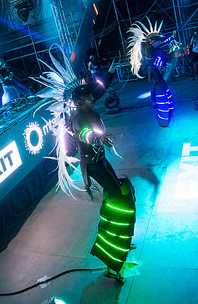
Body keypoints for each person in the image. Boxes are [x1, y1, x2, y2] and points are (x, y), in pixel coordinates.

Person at [69, 83, 136, 282]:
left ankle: (119, 240)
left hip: (101, 160)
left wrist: (109, 74)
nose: (93, 99)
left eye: (92, 97)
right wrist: (98, 138)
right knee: (117, 198)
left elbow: (100, 91)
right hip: (93, 164)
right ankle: (111, 254)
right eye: (88, 98)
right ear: (79, 103)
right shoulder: (79, 118)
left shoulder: (90, 113)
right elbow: (84, 134)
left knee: (118, 193)